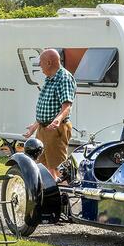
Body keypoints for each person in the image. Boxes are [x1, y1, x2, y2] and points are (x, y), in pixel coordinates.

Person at [24, 49, 76, 181]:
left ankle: (64, 196)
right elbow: (47, 106)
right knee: (43, 166)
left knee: (58, 168)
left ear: (49, 62)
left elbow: (67, 106)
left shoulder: (64, 78)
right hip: (44, 128)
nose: (39, 66)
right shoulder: (49, 78)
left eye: (41, 63)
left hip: (55, 129)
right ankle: (50, 195)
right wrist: (35, 125)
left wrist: (58, 120)